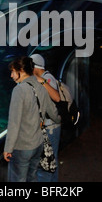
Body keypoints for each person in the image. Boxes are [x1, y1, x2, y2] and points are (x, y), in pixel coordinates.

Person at [3, 56, 60, 182]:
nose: (11, 76)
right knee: (32, 178)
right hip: (38, 145)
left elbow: (14, 122)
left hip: (22, 147)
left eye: (13, 72)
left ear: (21, 71)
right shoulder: (41, 86)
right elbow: (53, 112)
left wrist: (8, 148)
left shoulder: (19, 90)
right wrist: (59, 120)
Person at [30, 53, 61, 182]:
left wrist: (39, 80)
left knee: (44, 166)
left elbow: (56, 98)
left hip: (49, 129)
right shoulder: (39, 78)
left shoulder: (47, 78)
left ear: (35, 67)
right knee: (51, 162)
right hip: (47, 127)